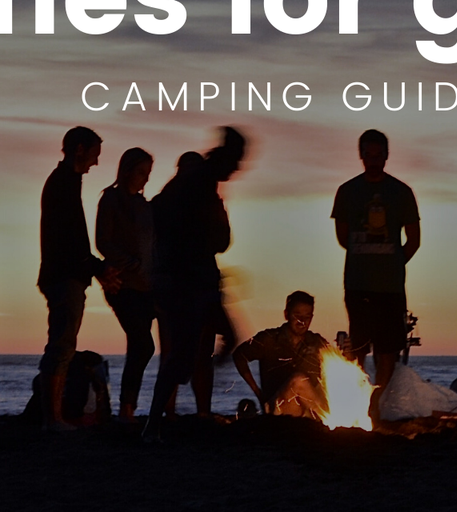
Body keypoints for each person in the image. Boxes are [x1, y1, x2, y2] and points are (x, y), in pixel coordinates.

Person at [145, 127, 247, 439]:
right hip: (188, 283)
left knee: (212, 345)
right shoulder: (197, 184)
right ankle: (153, 423)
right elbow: (212, 239)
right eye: (237, 161)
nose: (238, 169)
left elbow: (218, 240)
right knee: (184, 357)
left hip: (196, 281)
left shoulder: (201, 186)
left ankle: (157, 421)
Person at [37, 126, 119, 431]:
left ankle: (53, 417)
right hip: (64, 276)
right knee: (61, 345)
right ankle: (52, 418)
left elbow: (73, 240)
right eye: (94, 155)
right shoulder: (63, 184)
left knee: (63, 344)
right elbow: (70, 240)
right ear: (80, 149)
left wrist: (93, 269)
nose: (95, 163)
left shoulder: (65, 182)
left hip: (66, 273)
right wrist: (95, 268)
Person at [330, 129, 419, 399]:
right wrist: (367, 254)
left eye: (378, 155)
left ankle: (377, 403)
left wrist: (393, 262)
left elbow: (414, 240)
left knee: (388, 348)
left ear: (386, 156)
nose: (373, 160)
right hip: (358, 284)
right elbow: (343, 238)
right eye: (368, 154)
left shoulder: (402, 192)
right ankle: (359, 400)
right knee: (359, 346)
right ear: (361, 155)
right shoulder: (347, 191)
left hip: (390, 286)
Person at [94, 147, 156, 422]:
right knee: (143, 344)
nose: (145, 178)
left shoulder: (145, 207)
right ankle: (126, 407)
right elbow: (102, 241)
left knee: (140, 344)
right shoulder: (111, 199)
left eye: (148, 173)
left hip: (147, 286)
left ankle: (127, 409)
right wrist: (130, 263)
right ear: (128, 170)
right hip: (122, 284)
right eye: (142, 172)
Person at [233, 291, 330, 419]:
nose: (302, 321)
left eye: (307, 317)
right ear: (286, 314)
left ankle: (329, 418)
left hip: (309, 410)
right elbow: (239, 356)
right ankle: (332, 419)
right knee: (299, 381)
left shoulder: (317, 342)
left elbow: (341, 367)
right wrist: (258, 392)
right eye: (297, 316)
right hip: (280, 408)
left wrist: (347, 351)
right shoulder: (269, 339)